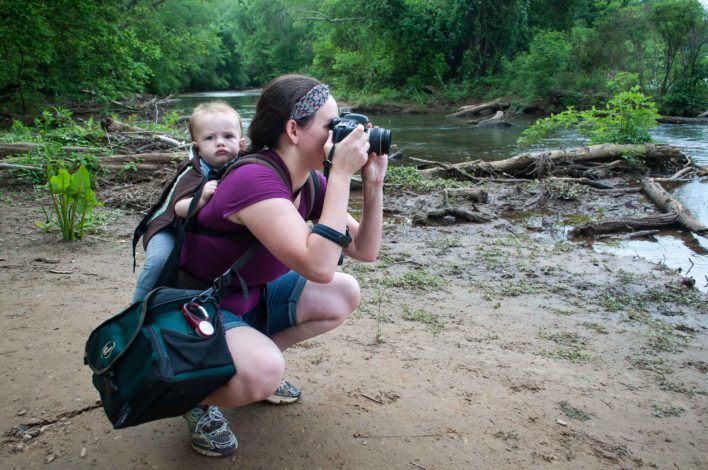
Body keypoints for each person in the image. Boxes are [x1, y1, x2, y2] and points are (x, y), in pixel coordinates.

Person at [178, 74, 388, 457]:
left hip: (250, 296)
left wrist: (372, 184)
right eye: (331, 126)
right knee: (264, 370)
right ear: (293, 130)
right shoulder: (254, 178)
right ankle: (197, 397)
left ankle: (246, 359)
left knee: (344, 292)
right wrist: (339, 172)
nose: (339, 135)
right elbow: (318, 266)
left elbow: (364, 249)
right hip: (202, 309)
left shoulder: (307, 181)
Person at [131, 101, 245, 303]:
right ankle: (137, 305)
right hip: (168, 227)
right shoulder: (194, 173)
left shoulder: (242, 167)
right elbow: (179, 208)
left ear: (241, 143)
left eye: (228, 136)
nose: (220, 142)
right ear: (197, 148)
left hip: (195, 229)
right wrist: (200, 198)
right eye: (210, 138)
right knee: (159, 261)